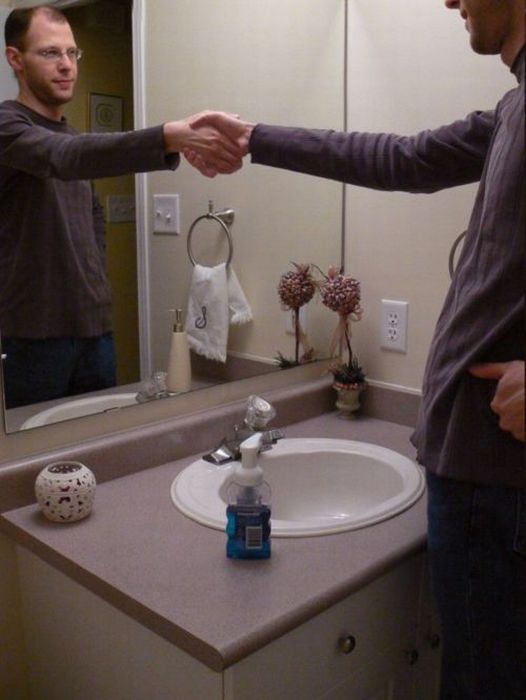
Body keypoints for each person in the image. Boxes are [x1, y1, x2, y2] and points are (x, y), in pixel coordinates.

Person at [188, 1, 525, 698]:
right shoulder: (514, 108)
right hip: (477, 472)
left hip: (499, 482)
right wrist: (257, 138)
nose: (450, 1)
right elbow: (401, 158)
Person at [0, 5, 242, 409]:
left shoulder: (71, 136)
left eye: (72, 53)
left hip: (96, 333)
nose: (66, 65)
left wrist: (97, 290)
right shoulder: (8, 127)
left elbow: (92, 219)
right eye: (50, 53)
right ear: (15, 59)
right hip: (30, 340)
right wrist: (167, 137)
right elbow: (64, 156)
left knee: (104, 440)